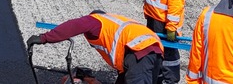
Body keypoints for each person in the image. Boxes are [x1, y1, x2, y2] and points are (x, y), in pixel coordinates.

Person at [26, 11, 162, 84]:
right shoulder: (115, 26)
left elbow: (74, 25)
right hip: (154, 51)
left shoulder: (96, 20)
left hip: (139, 51)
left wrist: (44, 38)